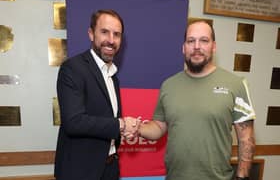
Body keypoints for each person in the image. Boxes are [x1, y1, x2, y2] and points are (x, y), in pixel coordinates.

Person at [135, 20, 256, 180]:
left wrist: (242, 177)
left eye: (204, 40)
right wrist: (136, 128)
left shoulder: (236, 84)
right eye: (191, 41)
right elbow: (159, 127)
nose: (197, 46)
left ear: (213, 46)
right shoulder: (169, 85)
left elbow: (246, 138)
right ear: (183, 47)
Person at [54, 9, 137, 180]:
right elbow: (73, 122)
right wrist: (120, 125)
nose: (111, 40)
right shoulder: (73, 68)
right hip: (81, 172)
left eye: (117, 34)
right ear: (91, 34)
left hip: (110, 168)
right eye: (104, 32)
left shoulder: (113, 76)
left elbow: (105, 118)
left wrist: (123, 131)